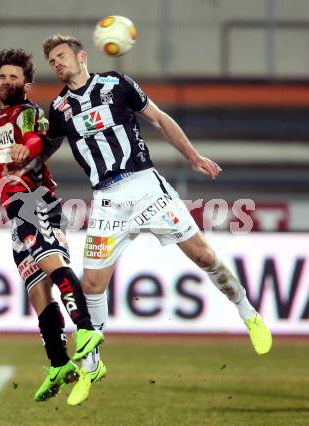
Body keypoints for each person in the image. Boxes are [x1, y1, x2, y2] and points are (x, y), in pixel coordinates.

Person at [14, 35, 273, 406]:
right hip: (107, 202)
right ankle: (91, 366)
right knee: (90, 284)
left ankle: (247, 312)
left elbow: (159, 119)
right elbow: (49, 143)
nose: (56, 63)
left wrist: (193, 157)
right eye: (52, 60)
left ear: (81, 56)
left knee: (202, 256)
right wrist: (29, 159)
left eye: (61, 56)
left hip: (146, 187)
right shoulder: (58, 108)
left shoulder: (116, 84)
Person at [0, 48, 103, 402]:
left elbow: (36, 139)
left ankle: (86, 329)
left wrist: (26, 149)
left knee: (50, 262)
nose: (7, 82)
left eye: (14, 77)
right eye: (3, 77)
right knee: (35, 288)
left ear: (27, 85)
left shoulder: (28, 114)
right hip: (15, 211)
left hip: (34, 199)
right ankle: (59, 363)